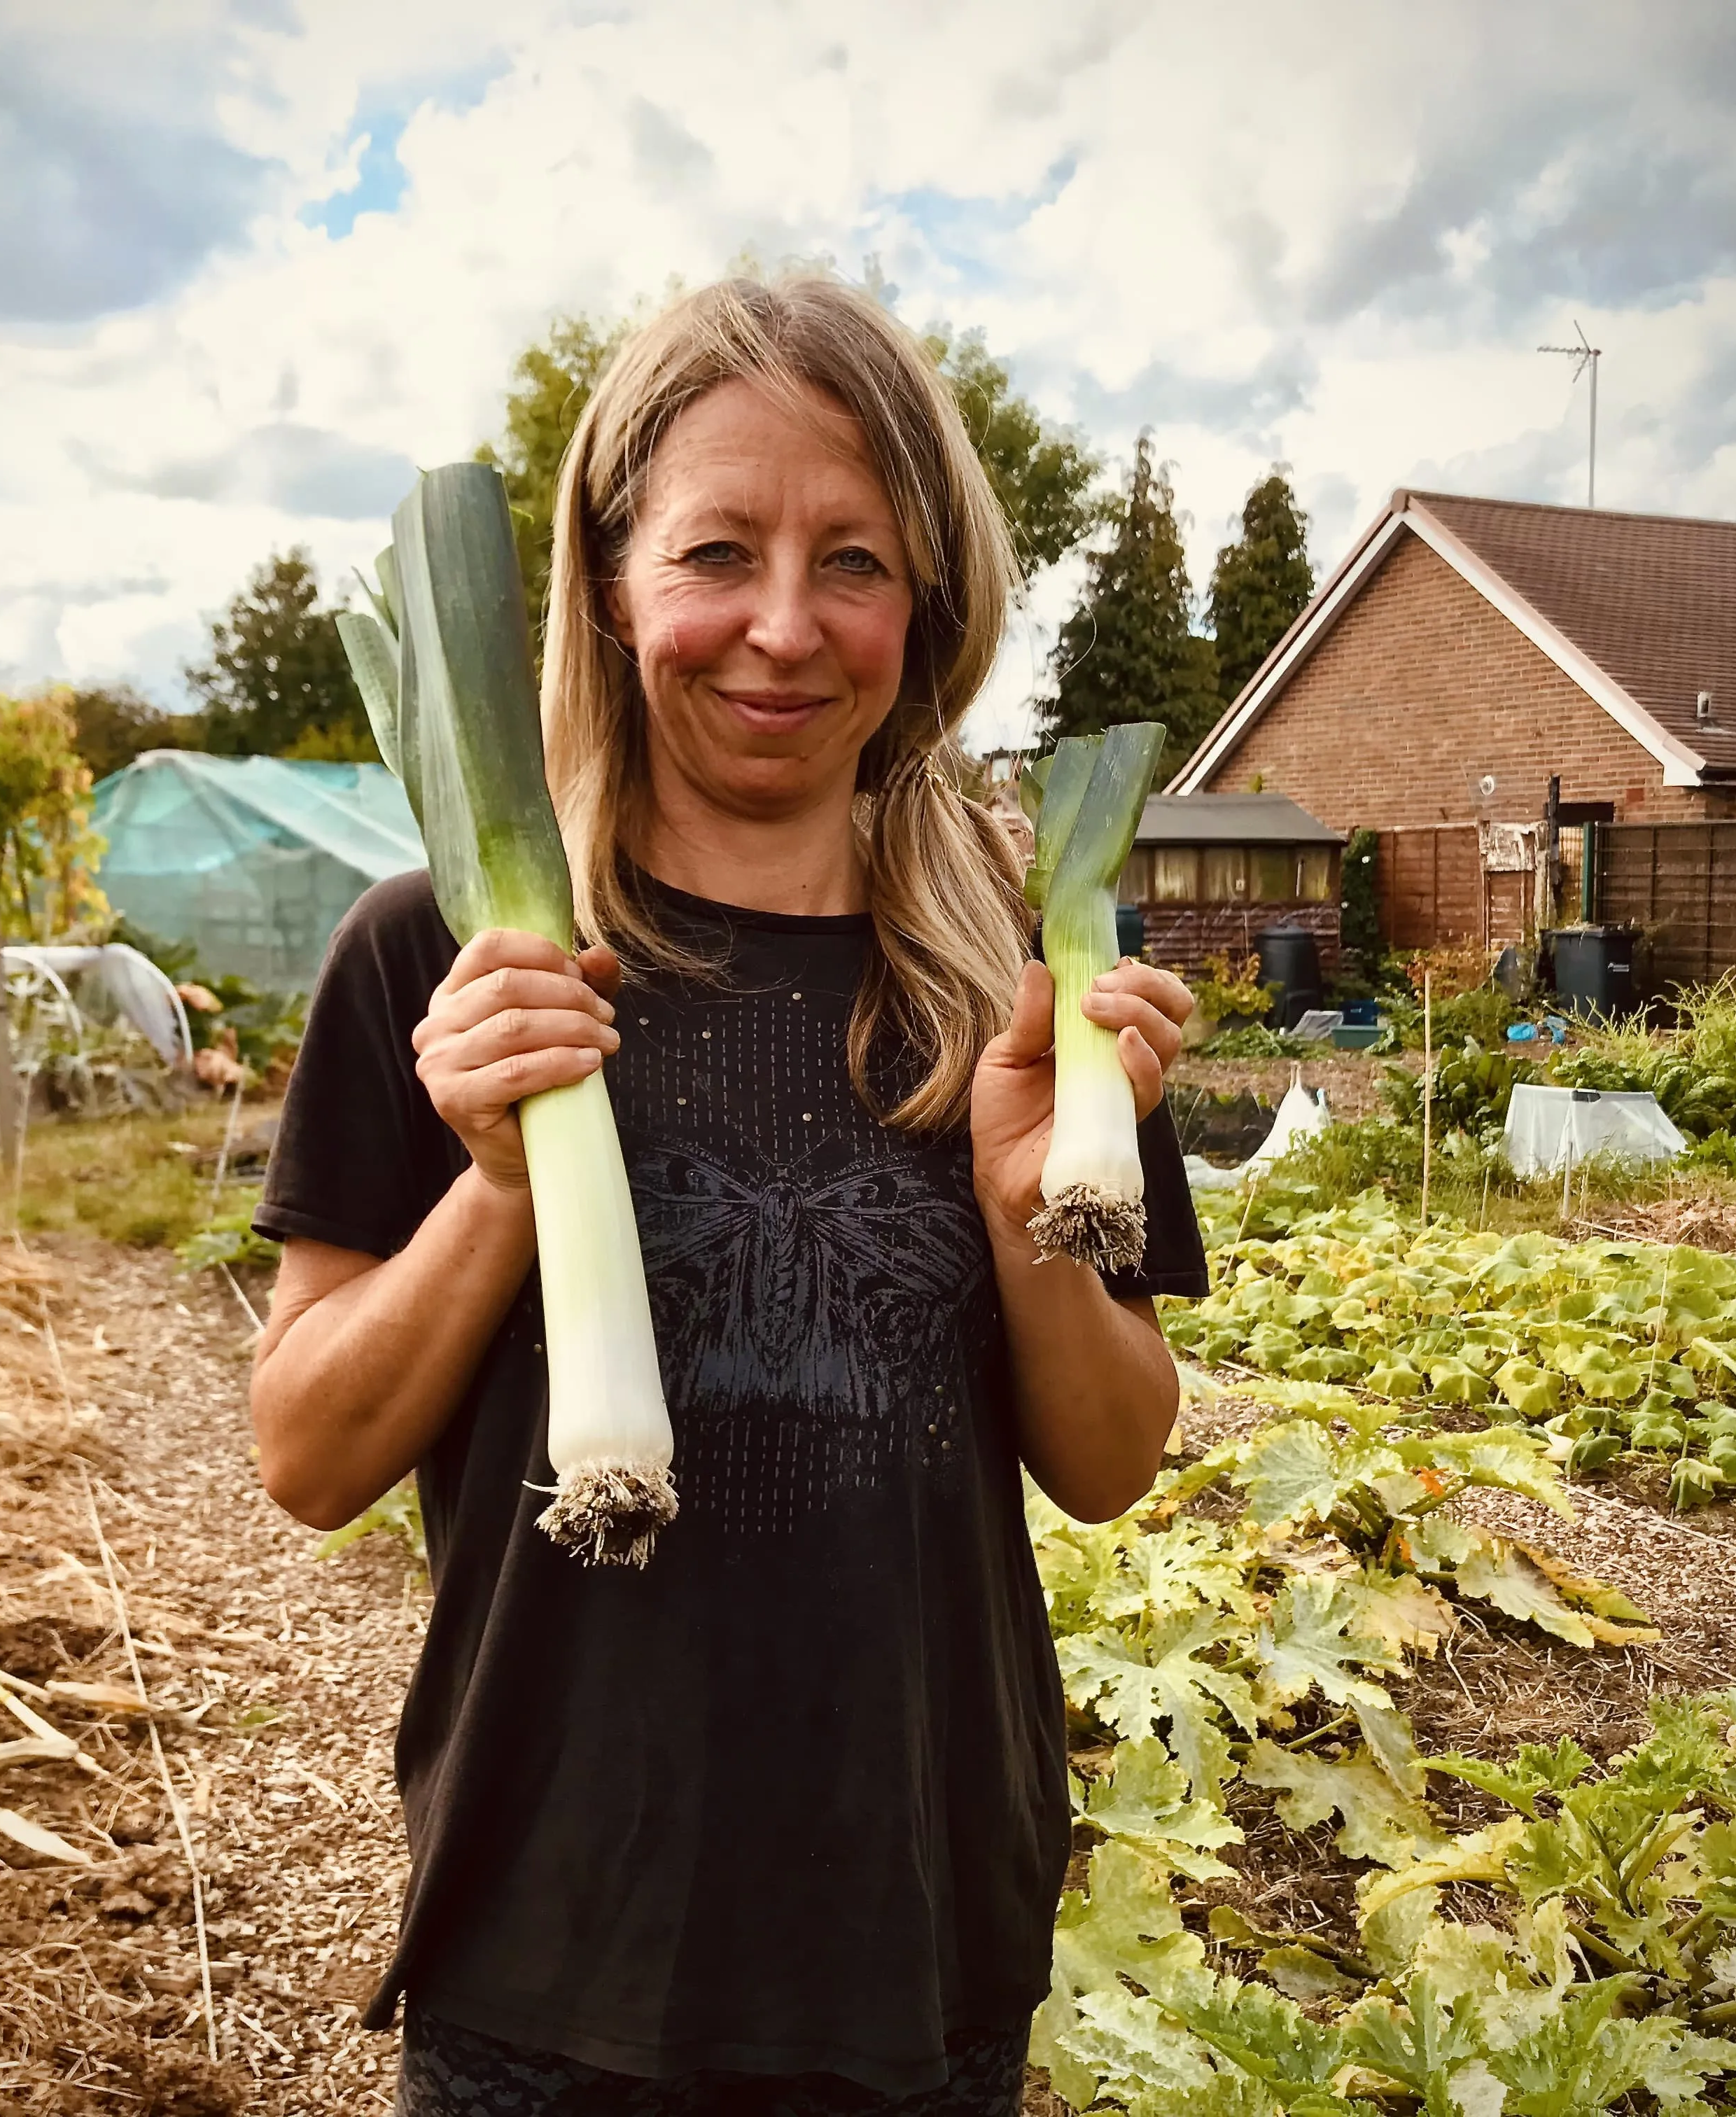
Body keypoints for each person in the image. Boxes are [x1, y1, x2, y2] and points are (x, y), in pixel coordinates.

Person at [248, 274, 1203, 2117]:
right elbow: (306, 1455)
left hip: (918, 1948)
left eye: (852, 560)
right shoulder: (445, 957)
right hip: (548, 1952)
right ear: (612, 585)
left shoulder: (1025, 969)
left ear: (926, 607)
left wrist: (1032, 1211)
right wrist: (501, 1186)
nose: (782, 628)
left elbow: (1105, 1460)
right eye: (714, 554)